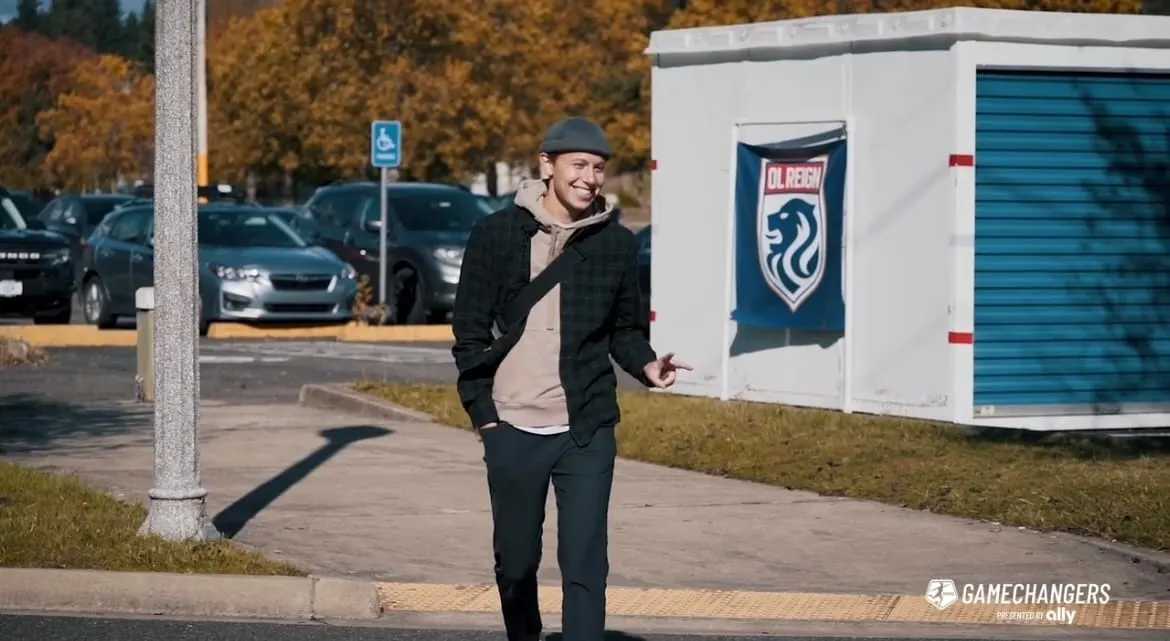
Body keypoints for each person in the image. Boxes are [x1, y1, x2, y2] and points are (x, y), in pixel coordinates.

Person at [451, 117, 691, 641]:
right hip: (511, 426)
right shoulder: (495, 234)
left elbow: (624, 329)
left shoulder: (617, 245)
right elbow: (468, 332)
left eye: (599, 169)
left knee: (585, 563)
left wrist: (647, 365)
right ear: (547, 165)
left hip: (585, 427)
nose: (590, 178)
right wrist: (484, 417)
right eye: (579, 165)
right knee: (516, 565)